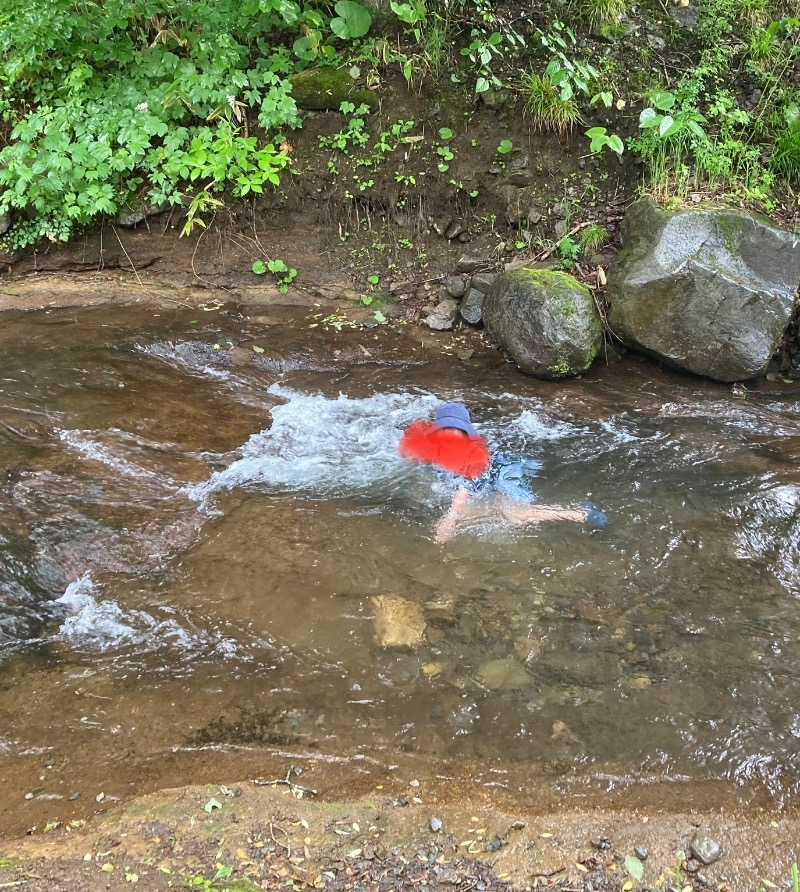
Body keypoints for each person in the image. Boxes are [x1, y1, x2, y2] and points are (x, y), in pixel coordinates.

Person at [399, 402, 607, 544]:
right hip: (481, 478)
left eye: (457, 432)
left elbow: (463, 490)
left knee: (516, 516)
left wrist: (449, 519)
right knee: (470, 514)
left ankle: (581, 515)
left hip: (502, 472)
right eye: (446, 431)